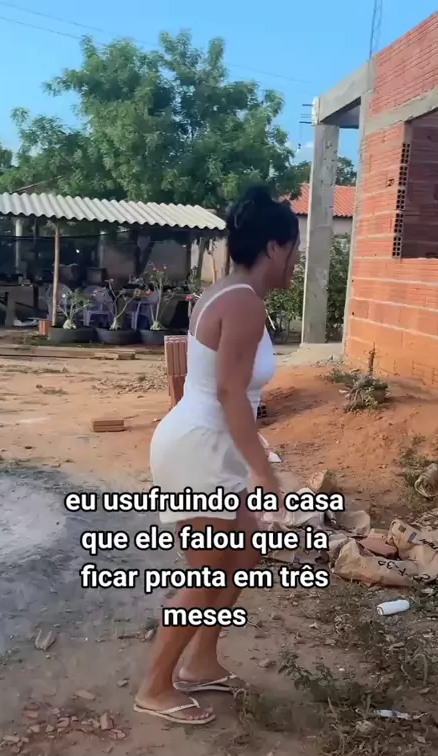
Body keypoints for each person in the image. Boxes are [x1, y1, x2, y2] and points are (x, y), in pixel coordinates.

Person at [134, 185, 300, 725]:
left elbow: (226, 391)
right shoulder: (243, 302)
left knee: (244, 554)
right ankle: (155, 687)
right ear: (275, 247)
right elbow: (230, 393)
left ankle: (200, 662)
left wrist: (250, 461)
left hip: (211, 443)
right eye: (295, 250)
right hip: (201, 449)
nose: (296, 261)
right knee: (206, 575)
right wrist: (263, 472)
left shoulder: (227, 292)